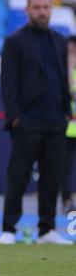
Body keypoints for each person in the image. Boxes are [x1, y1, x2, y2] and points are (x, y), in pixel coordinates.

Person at [0, 0, 73, 245]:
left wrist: (67, 111)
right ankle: (9, 227)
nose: (42, 12)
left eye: (46, 7)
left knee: (52, 177)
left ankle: (47, 229)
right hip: (27, 121)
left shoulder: (59, 40)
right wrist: (15, 117)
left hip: (56, 121)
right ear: (27, 10)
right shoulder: (14, 41)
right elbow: (7, 83)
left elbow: (63, 78)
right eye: (37, 8)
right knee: (18, 176)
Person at [62, 36, 76, 214]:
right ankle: (66, 200)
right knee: (64, 167)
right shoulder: (62, 69)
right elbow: (69, 93)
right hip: (66, 127)